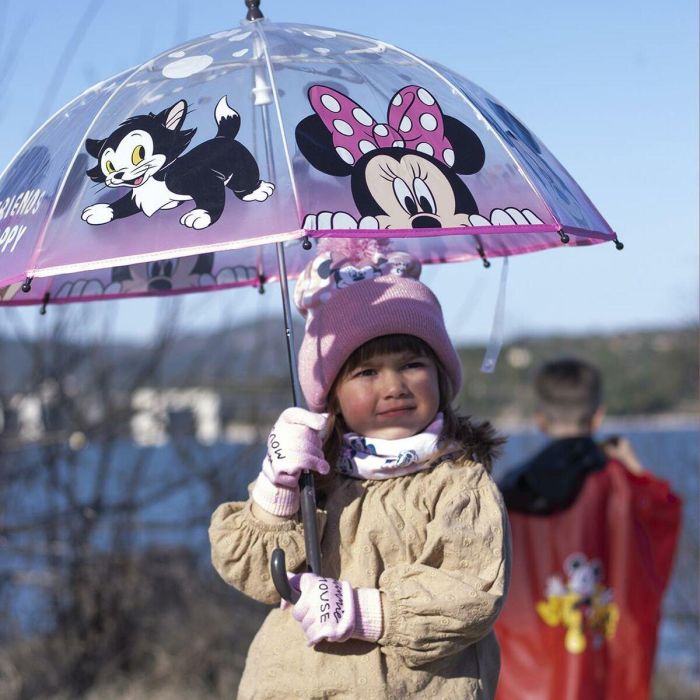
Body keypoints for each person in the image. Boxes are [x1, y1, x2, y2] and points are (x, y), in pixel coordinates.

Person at [209, 244, 510, 699]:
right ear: (330, 395)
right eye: (366, 372)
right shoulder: (317, 476)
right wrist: (278, 486)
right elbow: (254, 573)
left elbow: (472, 592)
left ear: (441, 375)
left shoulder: (459, 482)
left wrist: (366, 612)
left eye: (412, 364)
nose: (394, 386)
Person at [495, 358, 682, 700]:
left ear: (540, 419)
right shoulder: (622, 485)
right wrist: (635, 468)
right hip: (602, 674)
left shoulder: (508, 491)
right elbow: (663, 514)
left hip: (529, 679)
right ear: (598, 416)